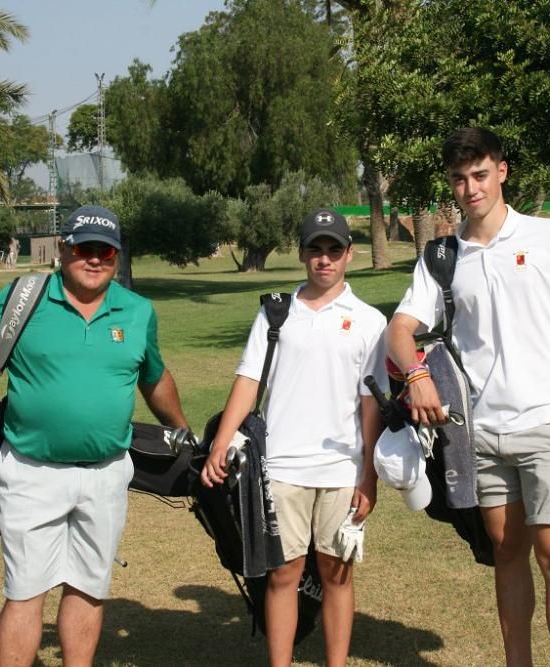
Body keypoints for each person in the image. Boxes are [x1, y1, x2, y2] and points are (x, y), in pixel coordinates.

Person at [0, 205, 191, 667]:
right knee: (25, 591)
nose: (94, 259)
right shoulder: (23, 298)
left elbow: (155, 378)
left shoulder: (137, 311)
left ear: (117, 256)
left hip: (106, 475)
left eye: (106, 251)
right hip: (31, 472)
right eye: (84, 248)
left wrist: (183, 434)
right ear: (63, 249)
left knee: (89, 588)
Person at [386, 128, 550, 667]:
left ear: (502, 171)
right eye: (460, 179)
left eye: (480, 175)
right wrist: (416, 375)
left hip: (548, 421)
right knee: (507, 555)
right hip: (480, 432)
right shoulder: (443, 255)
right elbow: (399, 329)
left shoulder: (548, 236)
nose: (471, 188)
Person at [201, 209, 386, 667]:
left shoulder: (369, 321)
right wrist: (220, 443)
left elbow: (371, 402)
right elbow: (249, 381)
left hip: (342, 468)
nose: (324, 259)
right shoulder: (276, 312)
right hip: (280, 467)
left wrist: (369, 474)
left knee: (336, 574)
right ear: (303, 253)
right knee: (283, 574)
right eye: (315, 250)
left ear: (348, 254)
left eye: (334, 250)